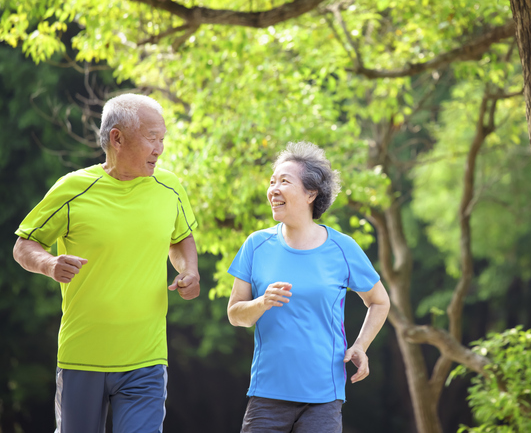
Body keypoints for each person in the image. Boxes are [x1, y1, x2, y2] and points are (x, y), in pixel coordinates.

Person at [13, 93, 200, 433]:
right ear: (117, 138)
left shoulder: (170, 188)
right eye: (151, 138)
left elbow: (181, 238)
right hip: (82, 357)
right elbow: (25, 243)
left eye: (162, 139)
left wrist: (189, 270)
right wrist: (49, 264)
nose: (159, 149)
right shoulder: (72, 189)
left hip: (146, 359)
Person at [227, 141, 390, 433]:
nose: (273, 189)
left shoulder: (343, 248)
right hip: (267, 393)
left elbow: (379, 301)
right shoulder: (256, 244)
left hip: (324, 397)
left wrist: (361, 346)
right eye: (272, 181)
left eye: (284, 181)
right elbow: (235, 314)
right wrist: (261, 302)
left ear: (311, 193)